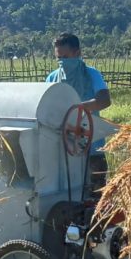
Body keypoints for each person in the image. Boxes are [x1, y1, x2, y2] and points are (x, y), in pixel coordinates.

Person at [46, 32, 111, 190]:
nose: (62, 62)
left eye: (66, 57)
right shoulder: (52, 78)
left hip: (92, 143)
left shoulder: (91, 74)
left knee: (96, 190)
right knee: (68, 190)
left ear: (78, 53)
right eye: (58, 58)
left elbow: (104, 100)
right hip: (64, 146)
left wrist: (77, 109)